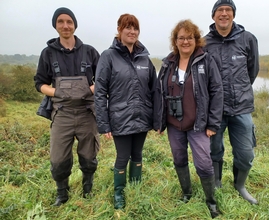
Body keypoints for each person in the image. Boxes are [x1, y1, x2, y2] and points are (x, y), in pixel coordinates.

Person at [154, 19, 223, 218]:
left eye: (189, 37)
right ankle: (186, 192)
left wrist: (212, 123)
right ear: (175, 41)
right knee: (179, 158)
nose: (185, 41)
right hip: (174, 124)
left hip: (198, 124)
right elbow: (159, 92)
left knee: (203, 162)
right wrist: (159, 122)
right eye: (181, 38)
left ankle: (210, 201)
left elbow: (217, 92)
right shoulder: (168, 62)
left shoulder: (206, 60)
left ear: (196, 39)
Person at [34, 7, 100, 206]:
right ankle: (62, 194)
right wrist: (57, 92)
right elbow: (40, 83)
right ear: (56, 26)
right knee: (58, 158)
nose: (65, 25)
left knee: (89, 155)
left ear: (75, 25)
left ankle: (87, 188)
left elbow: (103, 79)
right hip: (61, 113)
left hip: (87, 112)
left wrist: (90, 89)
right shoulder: (48, 54)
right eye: (61, 22)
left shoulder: (89, 52)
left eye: (69, 21)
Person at [94, 13, 158, 210]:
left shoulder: (144, 58)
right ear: (119, 30)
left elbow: (154, 90)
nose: (132, 31)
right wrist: (104, 123)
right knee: (122, 157)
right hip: (120, 119)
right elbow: (100, 91)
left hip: (142, 117)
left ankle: (135, 187)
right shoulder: (108, 56)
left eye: (135, 28)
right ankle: (119, 192)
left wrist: (156, 119)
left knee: (137, 154)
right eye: (127, 27)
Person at [204, 0, 259, 205]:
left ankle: (240, 185)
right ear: (213, 16)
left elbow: (252, 71)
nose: (224, 14)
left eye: (228, 10)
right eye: (220, 10)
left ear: (233, 15)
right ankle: (217, 182)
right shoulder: (205, 43)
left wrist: (240, 90)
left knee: (245, 153)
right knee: (214, 150)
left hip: (241, 108)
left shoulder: (248, 39)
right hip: (214, 111)